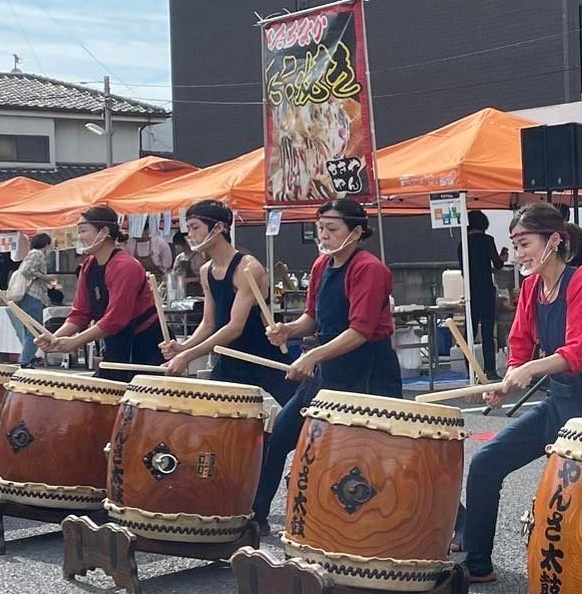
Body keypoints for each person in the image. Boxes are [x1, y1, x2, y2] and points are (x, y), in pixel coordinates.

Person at [456, 201, 582, 583]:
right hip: (561, 401)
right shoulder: (530, 288)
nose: (519, 253)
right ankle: (477, 564)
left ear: (554, 241)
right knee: (485, 464)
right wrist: (506, 383)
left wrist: (528, 369)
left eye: (525, 243)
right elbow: (520, 344)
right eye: (516, 244)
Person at [251, 198, 401, 528]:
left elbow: (360, 332)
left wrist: (312, 355)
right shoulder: (322, 266)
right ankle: (256, 516)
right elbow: (313, 318)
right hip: (330, 368)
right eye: (321, 228)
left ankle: (445, 521)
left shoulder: (369, 268)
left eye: (332, 229)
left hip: (369, 369)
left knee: (388, 450)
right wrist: (287, 330)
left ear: (356, 232)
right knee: (280, 437)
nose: (324, 235)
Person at [158, 200, 297, 404]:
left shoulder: (247, 267)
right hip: (230, 357)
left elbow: (234, 327)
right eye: (188, 229)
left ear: (219, 227)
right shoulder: (206, 271)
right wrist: (183, 347)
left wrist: (188, 356)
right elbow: (208, 323)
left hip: (263, 356)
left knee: (297, 420)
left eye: (195, 227)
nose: (190, 234)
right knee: (211, 417)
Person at [36, 206, 165, 382]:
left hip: (147, 345)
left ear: (104, 231)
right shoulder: (88, 266)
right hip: (116, 344)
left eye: (83, 230)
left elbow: (116, 318)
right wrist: (54, 337)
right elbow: (80, 313)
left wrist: (76, 341)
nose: (80, 237)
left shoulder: (126, 266)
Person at [464, 210, 507, 379]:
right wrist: (503, 257)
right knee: (488, 331)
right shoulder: (487, 241)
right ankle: (490, 369)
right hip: (486, 290)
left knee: (470, 332)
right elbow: (497, 263)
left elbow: (464, 269)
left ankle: (470, 372)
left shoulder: (463, 243)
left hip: (470, 292)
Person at [5, 232, 53, 369]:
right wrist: (46, 277)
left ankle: (27, 359)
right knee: (34, 330)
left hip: (29, 297)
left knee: (31, 330)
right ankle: (26, 360)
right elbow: (27, 271)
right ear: (46, 244)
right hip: (32, 296)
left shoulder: (32, 253)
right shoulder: (37, 254)